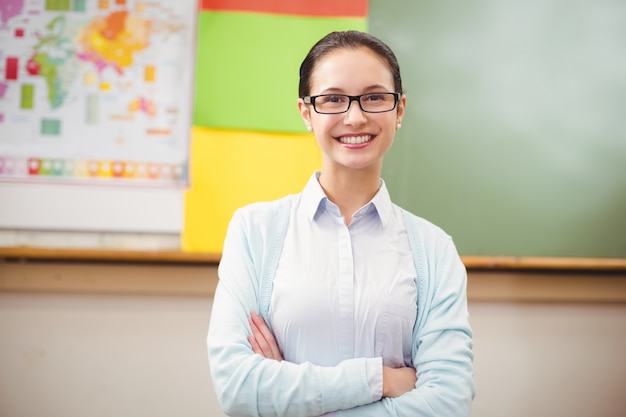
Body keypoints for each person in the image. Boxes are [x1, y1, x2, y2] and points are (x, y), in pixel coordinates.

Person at [207, 30, 475, 416]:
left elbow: (447, 403)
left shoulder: (433, 249)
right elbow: (239, 390)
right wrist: (382, 380)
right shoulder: (255, 232)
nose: (355, 116)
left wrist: (291, 396)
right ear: (306, 112)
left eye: (374, 97)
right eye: (332, 99)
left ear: (399, 110)